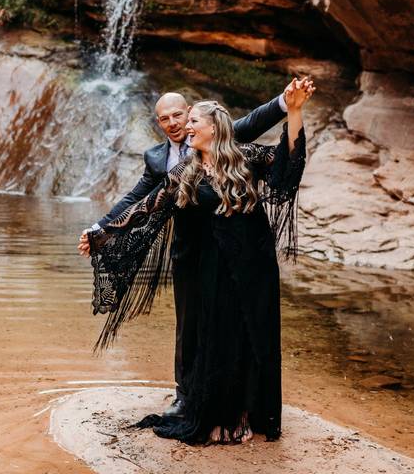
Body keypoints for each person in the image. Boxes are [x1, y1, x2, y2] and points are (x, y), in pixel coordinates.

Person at [83, 77, 312, 444]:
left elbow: (288, 166)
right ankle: (209, 408)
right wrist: (103, 233)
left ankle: (251, 414)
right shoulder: (183, 171)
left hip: (252, 266)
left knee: (253, 336)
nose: (183, 127)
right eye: (172, 120)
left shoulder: (245, 156)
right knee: (213, 337)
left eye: (190, 121)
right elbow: (145, 207)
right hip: (209, 265)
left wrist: (294, 109)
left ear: (209, 125)